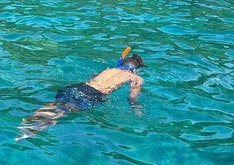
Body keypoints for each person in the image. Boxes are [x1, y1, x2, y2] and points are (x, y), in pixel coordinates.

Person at [16, 49, 145, 141]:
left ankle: (28, 121)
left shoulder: (110, 69)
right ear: (135, 69)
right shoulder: (135, 77)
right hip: (94, 94)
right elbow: (132, 97)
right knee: (63, 110)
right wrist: (135, 107)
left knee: (55, 104)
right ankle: (32, 131)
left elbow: (93, 76)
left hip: (80, 86)